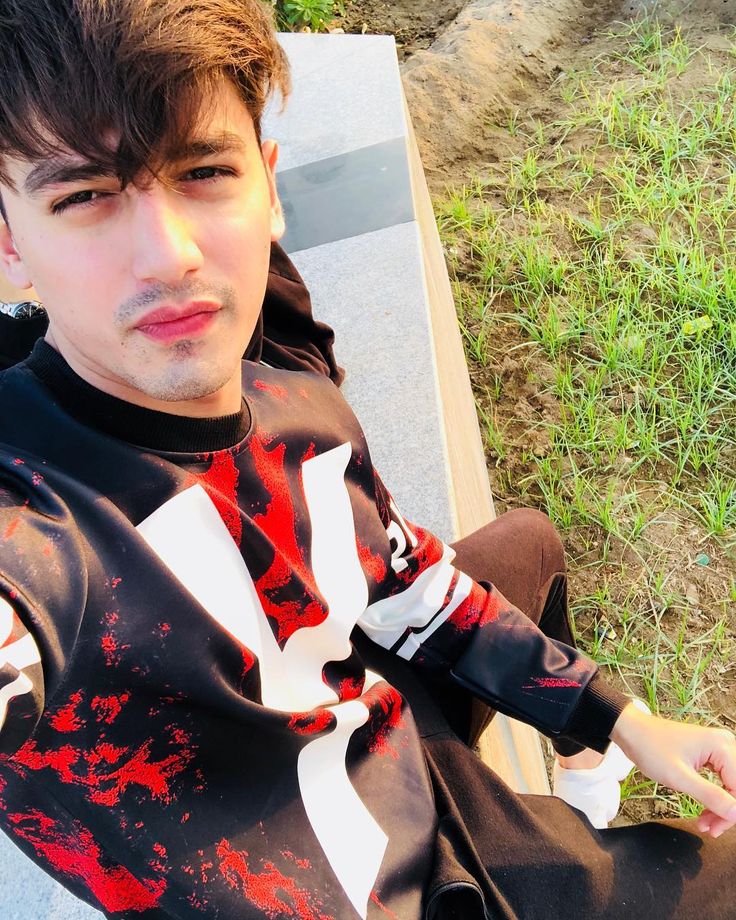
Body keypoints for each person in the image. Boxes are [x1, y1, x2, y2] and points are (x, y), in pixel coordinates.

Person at [0, 1, 733, 917]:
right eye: (84, 196)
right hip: (377, 892)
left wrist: (619, 717)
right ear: (9, 244)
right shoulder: (36, 525)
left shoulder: (296, 407)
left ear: (269, 189)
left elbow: (399, 568)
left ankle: (584, 776)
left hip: (399, 755)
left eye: (203, 171)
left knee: (530, 543)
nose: (169, 255)